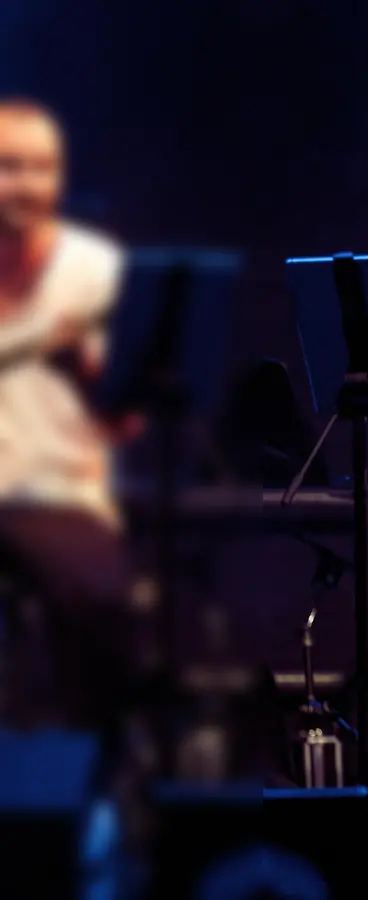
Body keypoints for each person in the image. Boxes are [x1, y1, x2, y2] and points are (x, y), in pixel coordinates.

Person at [0, 97, 142, 732]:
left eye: (41, 168)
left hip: (61, 496)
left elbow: (125, 425)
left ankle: (90, 765)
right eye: (10, 167)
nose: (27, 185)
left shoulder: (95, 270)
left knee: (98, 603)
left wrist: (82, 372)